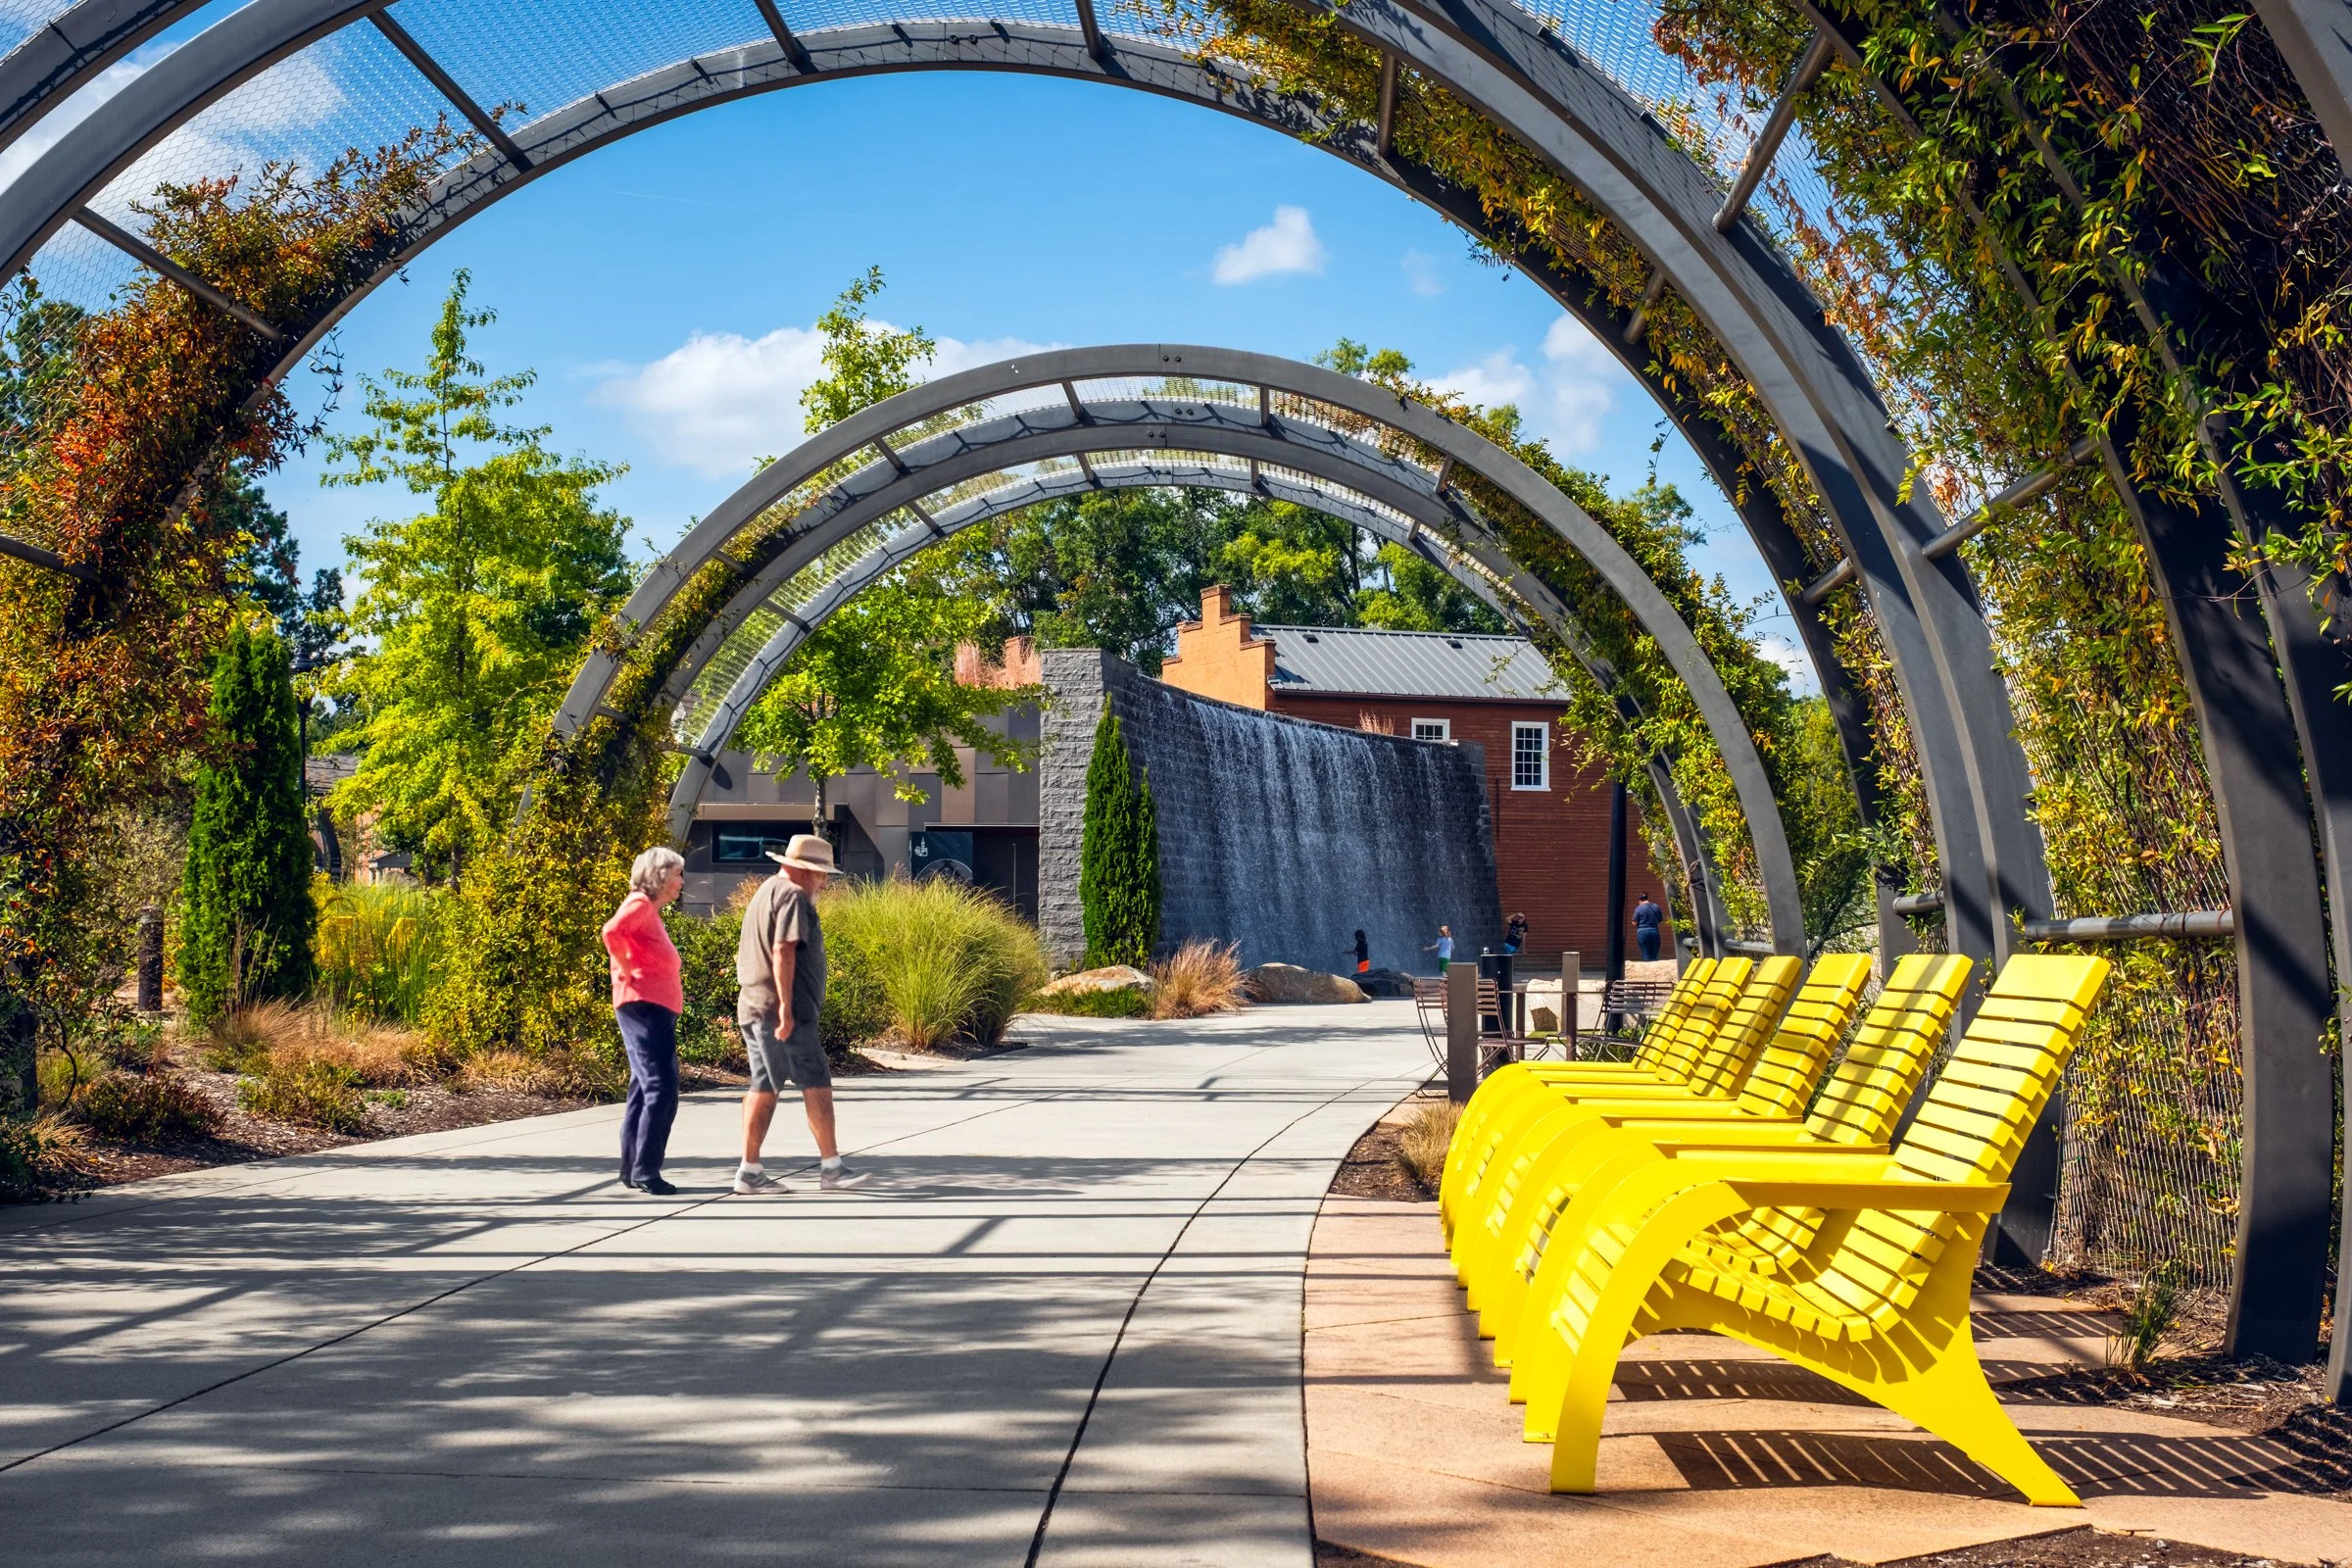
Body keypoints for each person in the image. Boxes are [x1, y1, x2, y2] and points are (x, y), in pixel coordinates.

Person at [734, 833, 866, 1195]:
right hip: (780, 1013)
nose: (824, 882)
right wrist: (788, 1010)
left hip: (760, 1006)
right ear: (801, 870)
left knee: (775, 1081)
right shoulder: (792, 895)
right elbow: (782, 950)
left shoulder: (766, 892)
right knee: (788, 1083)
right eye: (820, 873)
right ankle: (824, 1168)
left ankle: (759, 1169)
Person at [603, 847, 686, 1197]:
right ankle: (647, 1171)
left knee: (644, 1085)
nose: (682, 882)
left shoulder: (646, 908)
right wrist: (625, 968)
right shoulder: (638, 904)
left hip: (652, 1005)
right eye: (677, 874)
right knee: (661, 1087)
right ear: (660, 876)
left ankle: (634, 1168)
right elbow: (612, 932)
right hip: (643, 1005)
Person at [1633, 895, 1664, 962]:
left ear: (1640, 900)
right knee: (1654, 954)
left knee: (1646, 954)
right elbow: (1660, 920)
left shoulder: (1639, 908)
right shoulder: (1656, 907)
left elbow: (1634, 922)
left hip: (1642, 932)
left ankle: (1647, 966)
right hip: (1654, 931)